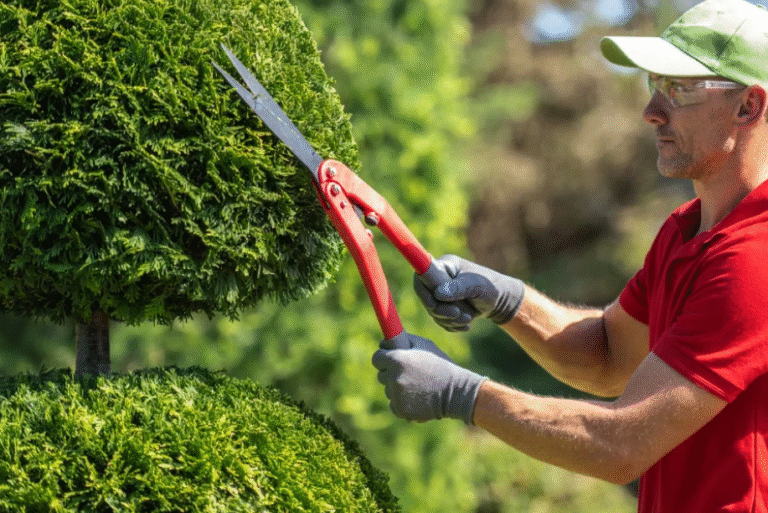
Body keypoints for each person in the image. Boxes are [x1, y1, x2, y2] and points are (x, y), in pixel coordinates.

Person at [371, 0, 768, 511]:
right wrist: (506, 300)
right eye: (654, 85)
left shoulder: (755, 256)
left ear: (748, 107)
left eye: (680, 88)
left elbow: (622, 445)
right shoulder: (684, 231)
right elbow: (607, 357)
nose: (652, 111)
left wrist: (463, 395)